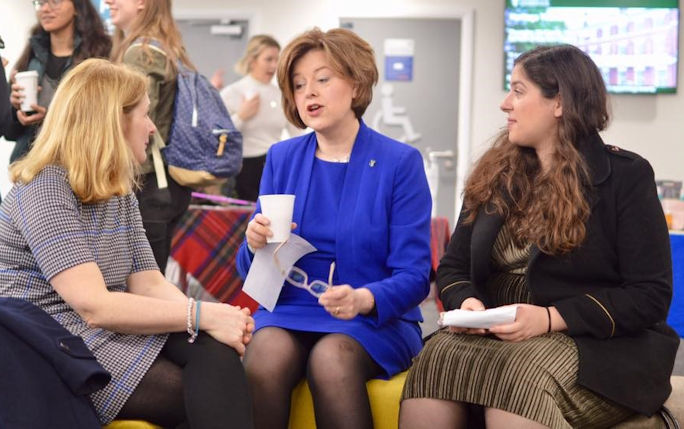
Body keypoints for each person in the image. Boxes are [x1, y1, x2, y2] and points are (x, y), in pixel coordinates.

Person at [399, 44, 679, 429]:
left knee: (518, 377)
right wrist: (469, 303)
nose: (504, 104)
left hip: (595, 345)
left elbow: (649, 296)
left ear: (559, 103)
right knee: (435, 360)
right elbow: (453, 266)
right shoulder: (494, 175)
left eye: (518, 90)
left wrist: (550, 318)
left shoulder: (626, 177)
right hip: (496, 336)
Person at [0, 58, 254, 428]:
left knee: (216, 352)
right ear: (113, 121)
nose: (153, 128)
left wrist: (211, 321)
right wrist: (204, 314)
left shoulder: (117, 189)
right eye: (145, 115)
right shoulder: (45, 188)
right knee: (203, 390)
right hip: (54, 343)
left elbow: (148, 283)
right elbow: (95, 307)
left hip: (107, 330)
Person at [236, 27, 432, 429]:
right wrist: (253, 243)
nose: (309, 93)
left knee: (331, 358)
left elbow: (415, 277)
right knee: (264, 354)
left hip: (373, 318)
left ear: (356, 84)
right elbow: (251, 274)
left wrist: (364, 299)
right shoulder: (281, 158)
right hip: (291, 310)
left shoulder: (400, 163)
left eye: (323, 79)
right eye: (299, 84)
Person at [107, 0, 193, 273]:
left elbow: (136, 124)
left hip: (148, 183)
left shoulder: (141, 53)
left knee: (143, 284)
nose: (108, 1)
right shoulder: (167, 46)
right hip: (167, 182)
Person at [6, 0, 111, 163]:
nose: (45, 9)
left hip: (78, 166)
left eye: (55, 1)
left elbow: (105, 122)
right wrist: (14, 110)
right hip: (29, 168)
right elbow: (10, 132)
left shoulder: (100, 55)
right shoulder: (31, 54)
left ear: (77, 7)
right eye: (40, 3)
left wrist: (49, 118)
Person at [220, 34, 303, 201]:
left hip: (274, 165)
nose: (274, 65)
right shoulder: (232, 93)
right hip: (241, 169)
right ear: (253, 60)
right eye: (268, 59)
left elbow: (297, 134)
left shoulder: (283, 95)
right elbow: (218, 137)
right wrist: (242, 116)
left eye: (276, 59)